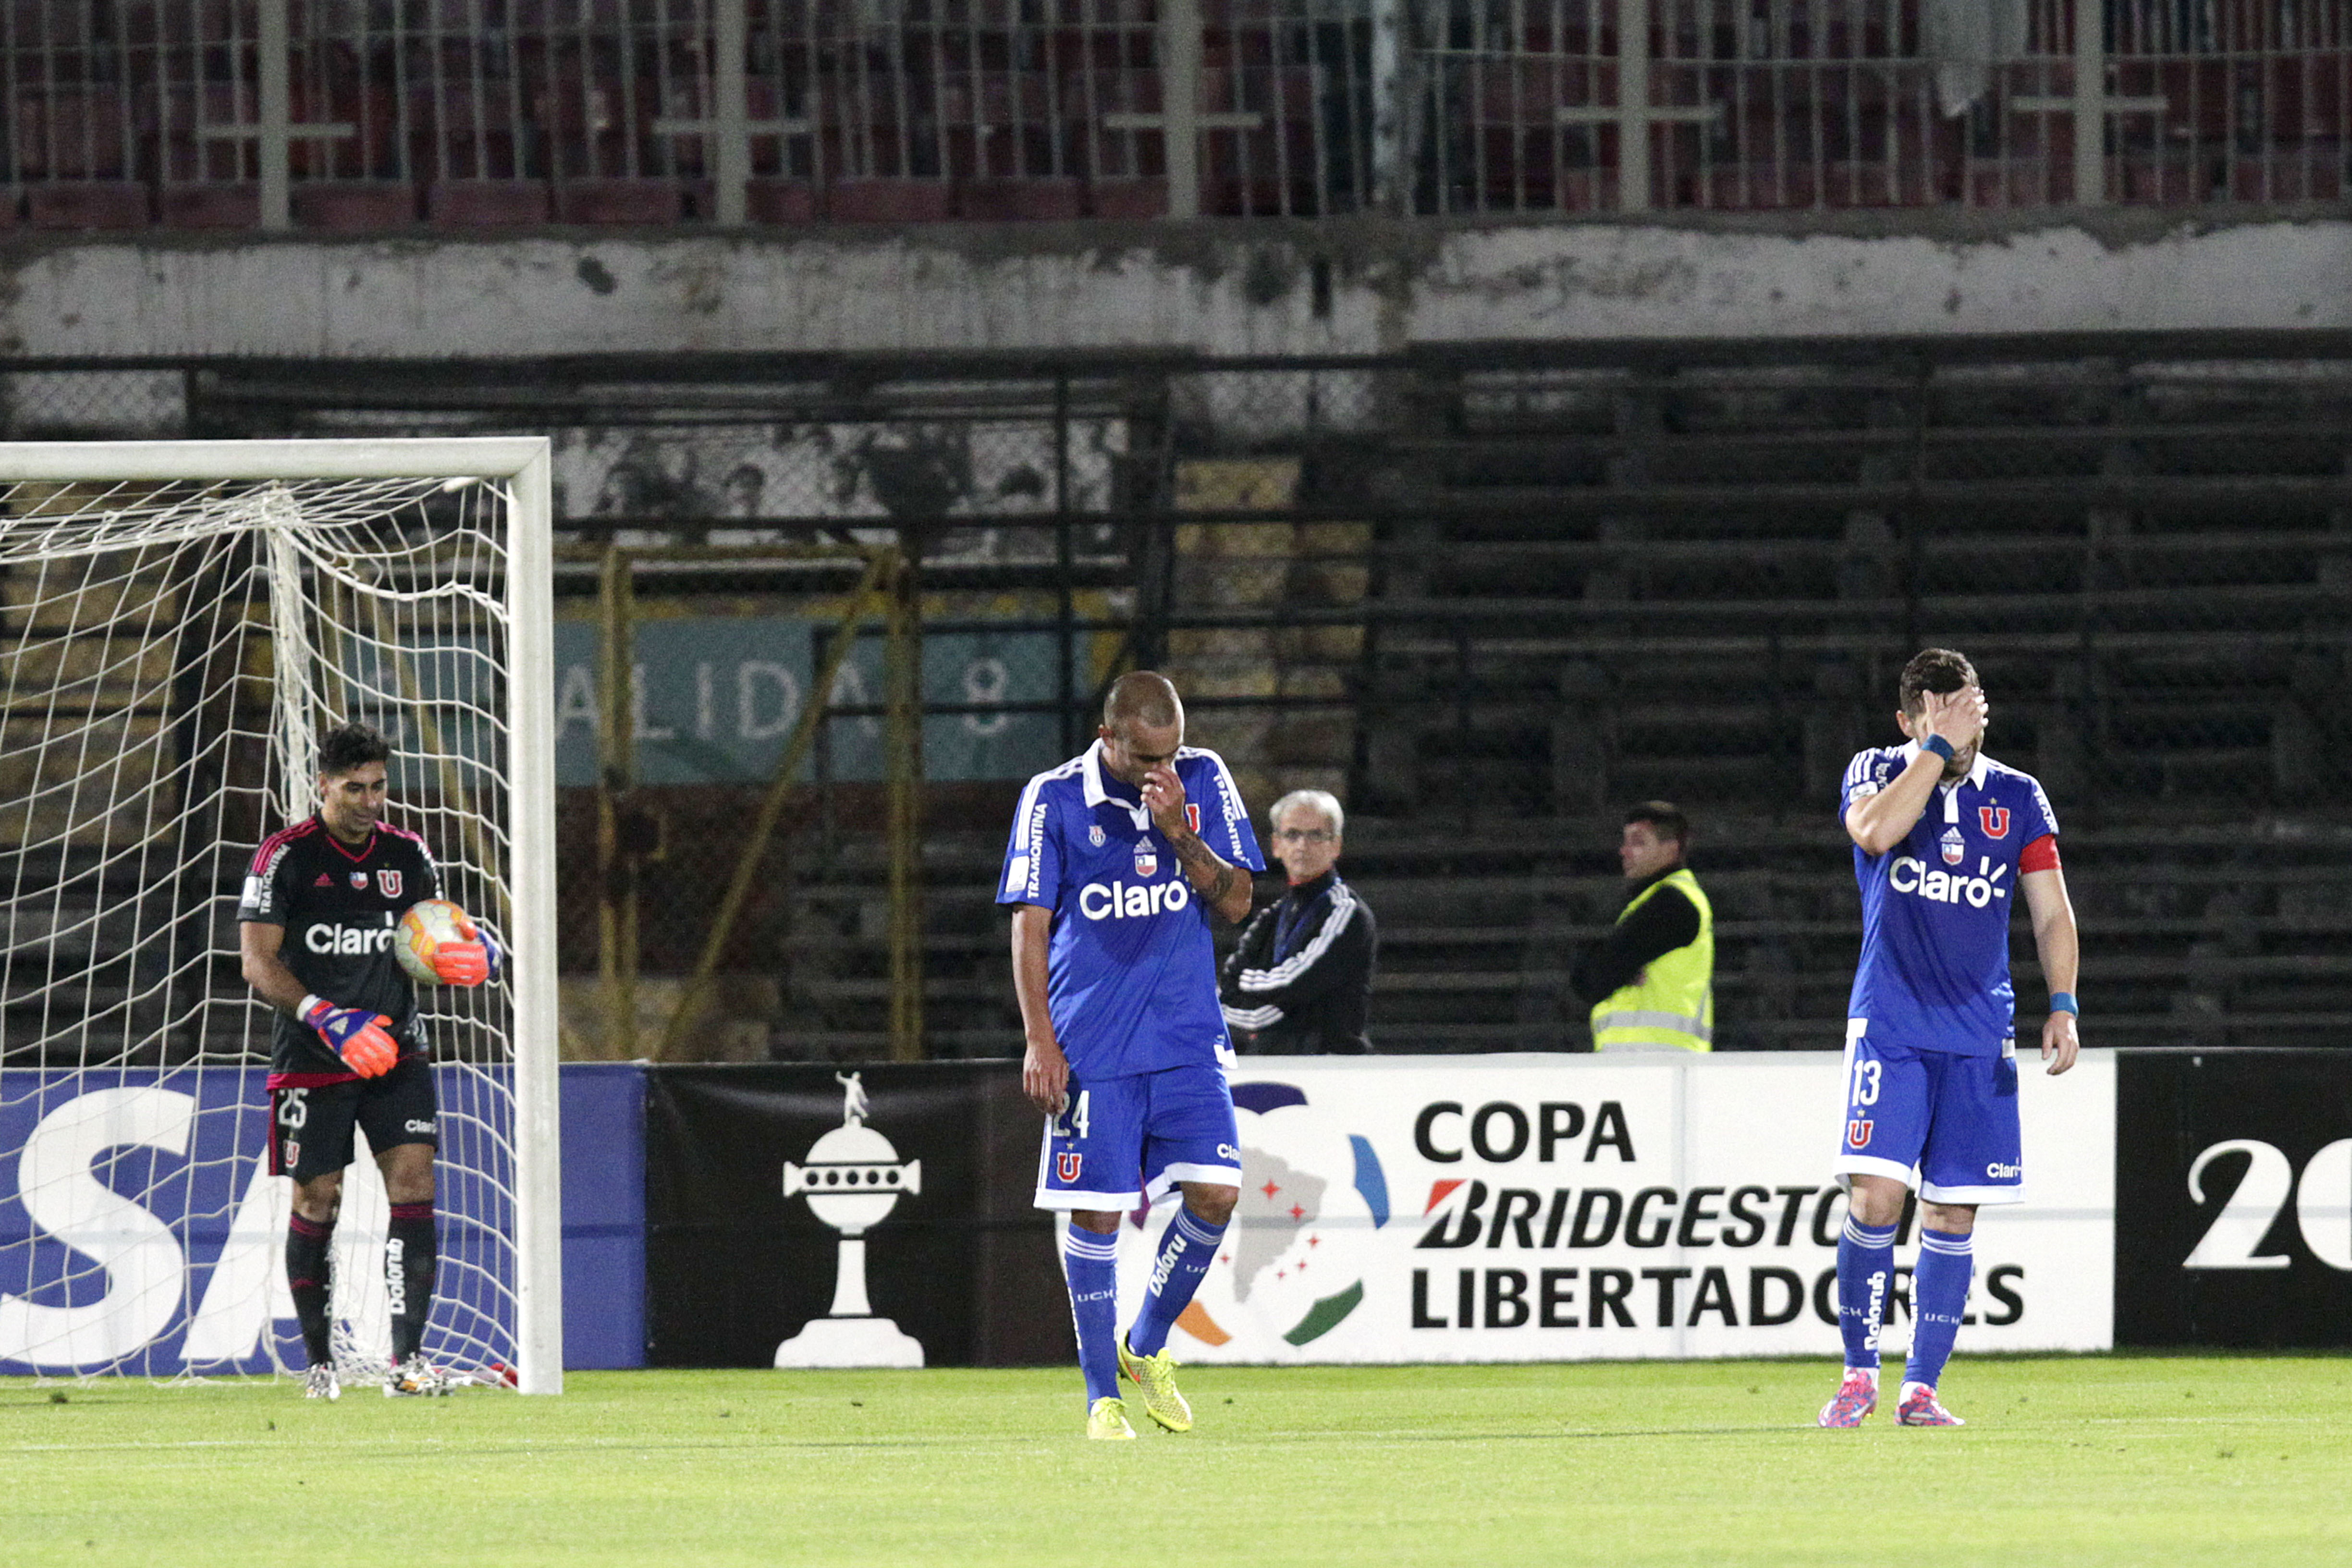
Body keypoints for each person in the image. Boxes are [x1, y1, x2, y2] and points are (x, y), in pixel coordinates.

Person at [999, 671, 1263, 1440]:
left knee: (1217, 1193)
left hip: (1185, 1036)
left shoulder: (1202, 779)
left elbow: (1237, 901)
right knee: (1099, 1213)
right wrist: (1040, 1041)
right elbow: (1029, 926)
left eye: (1171, 753)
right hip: (1094, 1044)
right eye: (1147, 757)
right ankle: (1100, 1399)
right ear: (1107, 737)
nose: (1163, 769)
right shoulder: (1052, 798)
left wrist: (1179, 829)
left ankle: (1144, 1346)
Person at [1820, 648, 2080, 1428]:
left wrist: (2062, 1003)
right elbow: (1874, 833)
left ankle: (1921, 1388)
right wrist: (1935, 748)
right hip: (1891, 1025)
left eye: (1974, 709)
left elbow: (2051, 911)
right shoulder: (1876, 770)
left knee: (1954, 1212)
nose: (1967, 726)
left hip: (1977, 1033)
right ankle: (1858, 1374)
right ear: (1908, 720)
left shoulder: (2018, 795)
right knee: (1876, 1196)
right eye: (1945, 712)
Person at [236, 721, 497, 1399]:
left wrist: (478, 954)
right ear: (323, 785)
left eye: (379, 786)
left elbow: (432, 937)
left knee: (414, 1183)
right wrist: (326, 1015)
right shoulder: (285, 857)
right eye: (354, 788)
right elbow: (257, 962)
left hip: (394, 1051)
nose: (370, 801)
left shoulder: (408, 854)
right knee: (317, 1199)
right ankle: (320, 1364)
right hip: (313, 1054)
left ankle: (407, 1363)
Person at [1220, 788, 1377, 1054]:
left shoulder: (1347, 912)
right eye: (1292, 835)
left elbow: (1291, 984)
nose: (1302, 846)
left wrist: (1243, 984)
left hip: (1332, 1065)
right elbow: (1228, 983)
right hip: (1274, 1061)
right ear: (1276, 845)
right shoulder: (1272, 916)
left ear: (1336, 845)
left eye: (1315, 835)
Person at [1568, 801, 1713, 1052]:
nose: (1624, 851)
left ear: (1671, 849)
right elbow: (1597, 974)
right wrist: (1618, 970)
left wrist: (1610, 969)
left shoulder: (1673, 903)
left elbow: (1593, 979)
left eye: (1638, 842)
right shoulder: (1656, 901)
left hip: (1658, 1060)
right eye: (1625, 842)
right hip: (1653, 1058)